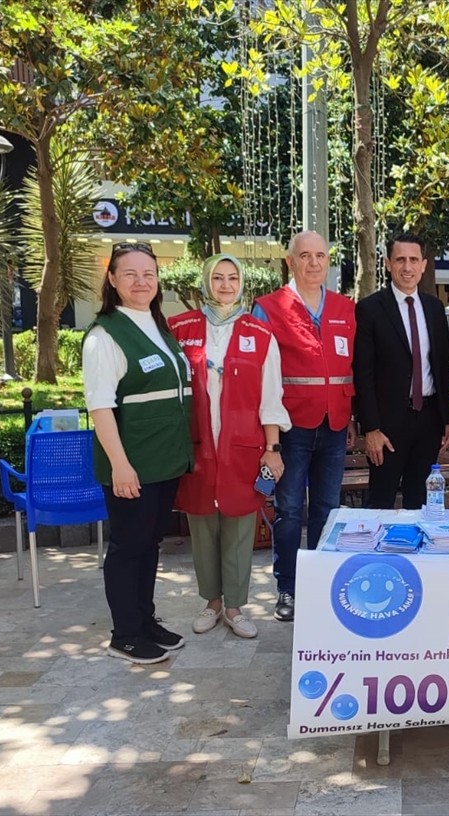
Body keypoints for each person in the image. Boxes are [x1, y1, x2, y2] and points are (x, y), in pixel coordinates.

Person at [169, 254, 290, 640]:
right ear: (206, 281)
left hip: (243, 446)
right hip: (198, 445)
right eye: (218, 278)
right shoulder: (180, 328)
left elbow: (272, 396)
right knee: (202, 524)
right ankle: (212, 603)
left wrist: (272, 447)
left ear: (242, 283)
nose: (225, 285)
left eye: (232, 278)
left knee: (240, 525)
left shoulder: (260, 333)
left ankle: (236, 606)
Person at [83, 242, 192, 664]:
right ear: (112, 279)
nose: (141, 282)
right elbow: (100, 407)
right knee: (129, 547)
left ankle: (144, 620)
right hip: (133, 465)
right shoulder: (104, 335)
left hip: (164, 462)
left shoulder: (156, 324)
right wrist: (120, 465)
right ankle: (125, 634)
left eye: (148, 273)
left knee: (150, 544)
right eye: (129, 274)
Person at [252, 231, 357, 623]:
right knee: (289, 510)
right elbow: (261, 377)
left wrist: (352, 418)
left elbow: (350, 370)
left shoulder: (346, 308)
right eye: (305, 256)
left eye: (321, 256)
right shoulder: (269, 308)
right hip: (290, 428)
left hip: (334, 424)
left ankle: (321, 582)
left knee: (327, 509)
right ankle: (289, 588)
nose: (314, 263)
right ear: (290, 261)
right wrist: (270, 440)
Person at [354, 233, 449, 509]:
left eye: (413, 260)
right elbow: (362, 373)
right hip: (387, 426)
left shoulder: (434, 308)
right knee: (381, 501)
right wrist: (371, 428)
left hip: (428, 421)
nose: (407, 267)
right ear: (388, 263)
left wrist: (448, 419)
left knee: (421, 502)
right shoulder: (369, 309)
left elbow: (442, 365)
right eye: (400, 260)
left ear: (423, 265)